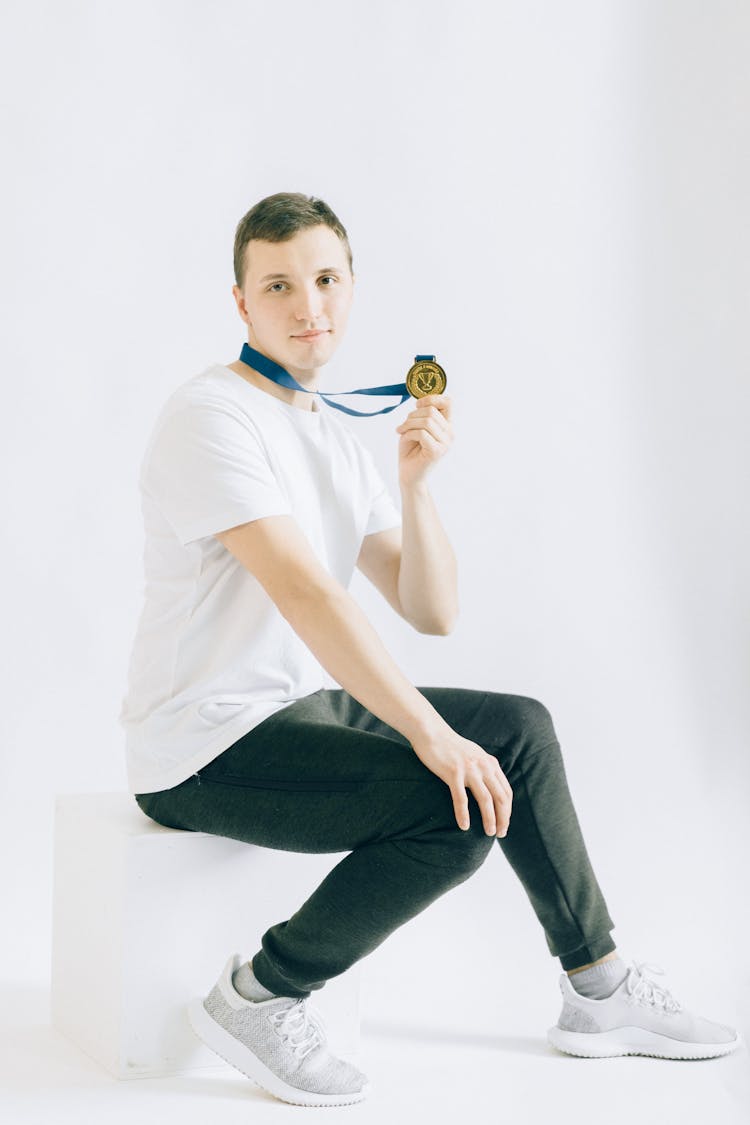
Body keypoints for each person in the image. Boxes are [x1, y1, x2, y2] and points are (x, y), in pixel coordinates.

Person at [119, 191, 741, 1108]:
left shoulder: (327, 431)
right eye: (280, 285)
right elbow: (305, 591)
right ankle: (261, 993)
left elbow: (431, 607)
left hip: (299, 709)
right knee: (450, 807)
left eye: (326, 280)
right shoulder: (211, 416)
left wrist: (415, 484)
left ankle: (598, 988)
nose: (308, 306)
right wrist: (428, 734)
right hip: (203, 743)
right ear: (243, 304)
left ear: (351, 287)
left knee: (518, 728)